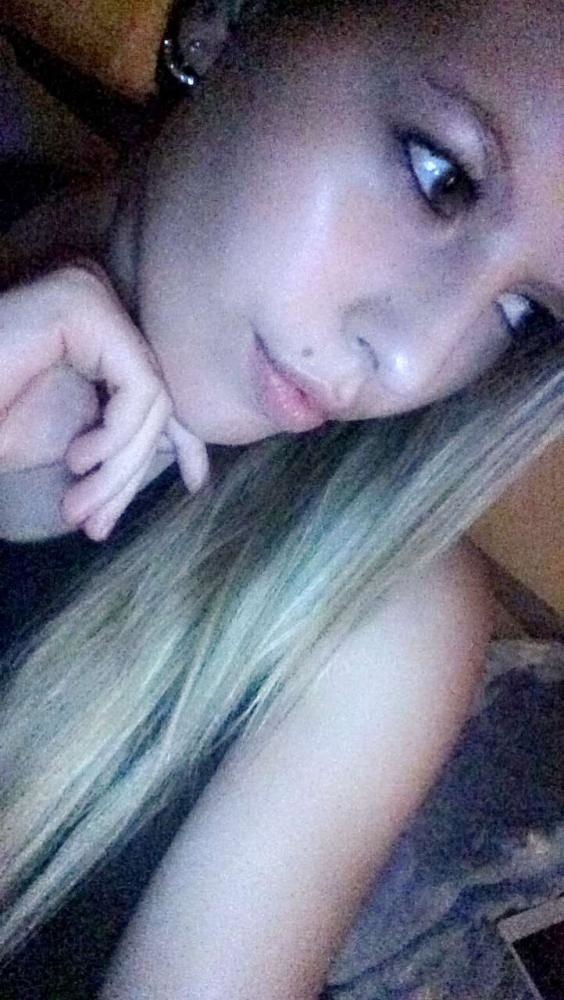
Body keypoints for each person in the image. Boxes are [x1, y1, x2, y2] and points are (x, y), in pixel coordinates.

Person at [0, 0, 562, 996]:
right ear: (232, 20)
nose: (413, 359)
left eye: (524, 315)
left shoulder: (373, 622)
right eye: (440, 176)